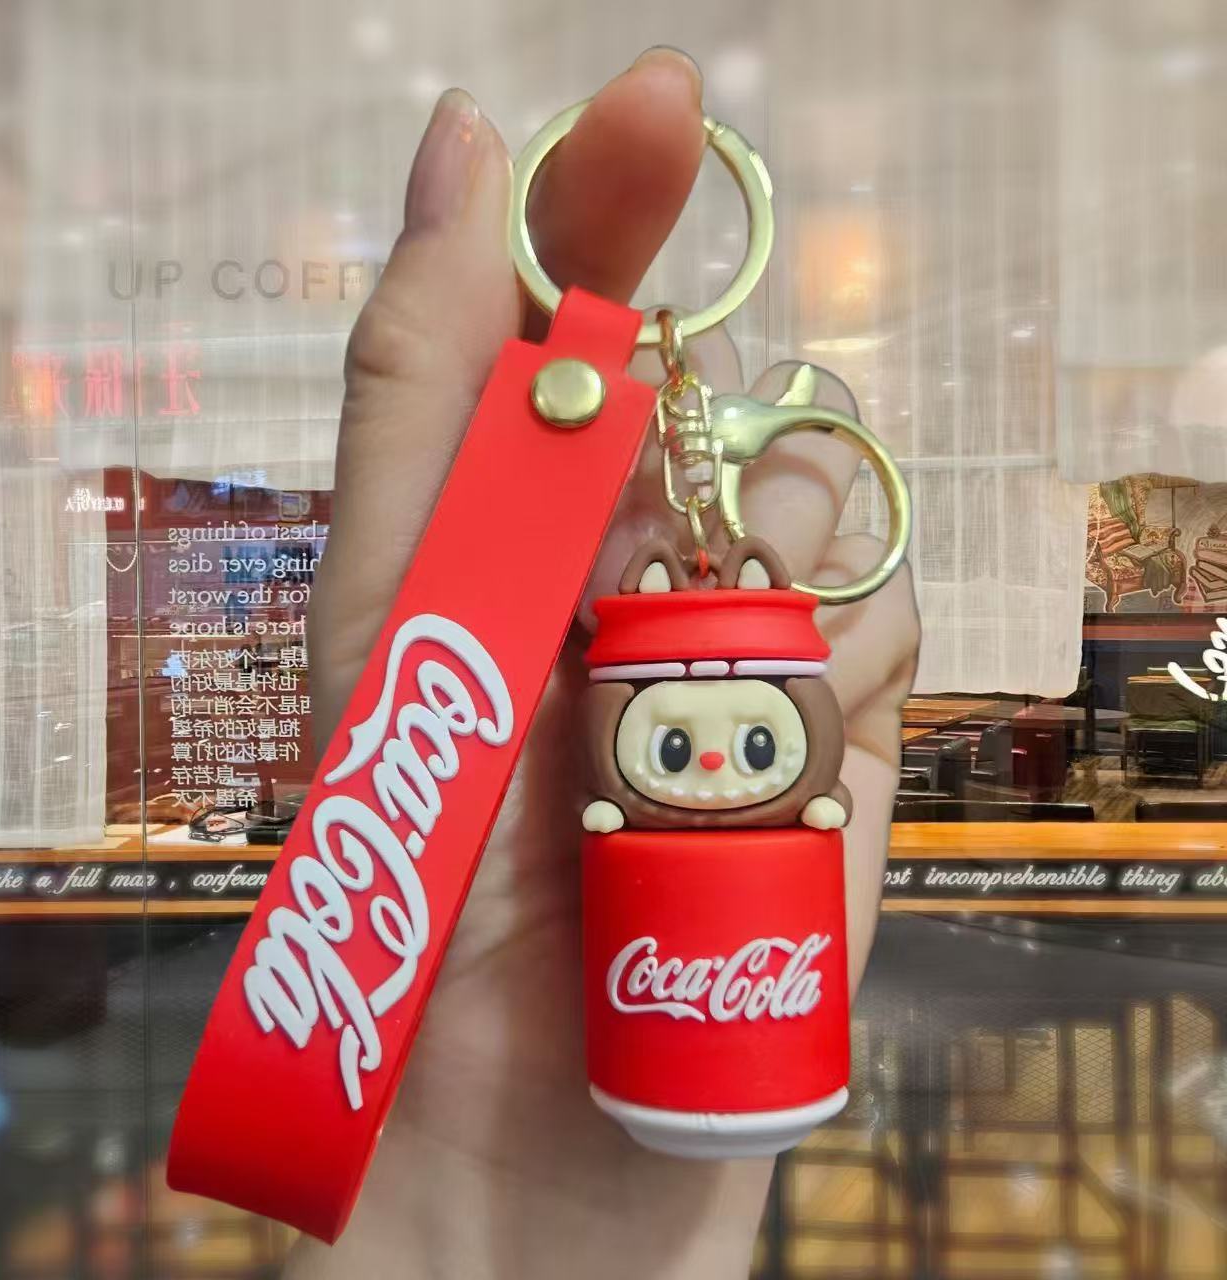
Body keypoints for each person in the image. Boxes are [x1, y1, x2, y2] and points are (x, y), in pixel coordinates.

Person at [293, 47, 919, 1280]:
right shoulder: (594, 801)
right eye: (676, 740)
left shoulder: (770, 806)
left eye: (754, 736)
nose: (713, 764)